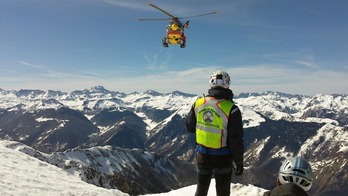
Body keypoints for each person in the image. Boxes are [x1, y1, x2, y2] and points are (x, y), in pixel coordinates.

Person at [186, 70, 244, 196]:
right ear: (227, 84)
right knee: (222, 192)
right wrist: (239, 161)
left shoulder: (198, 103)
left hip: (202, 155)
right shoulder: (232, 109)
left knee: (201, 190)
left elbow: (190, 127)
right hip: (223, 158)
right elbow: (236, 139)